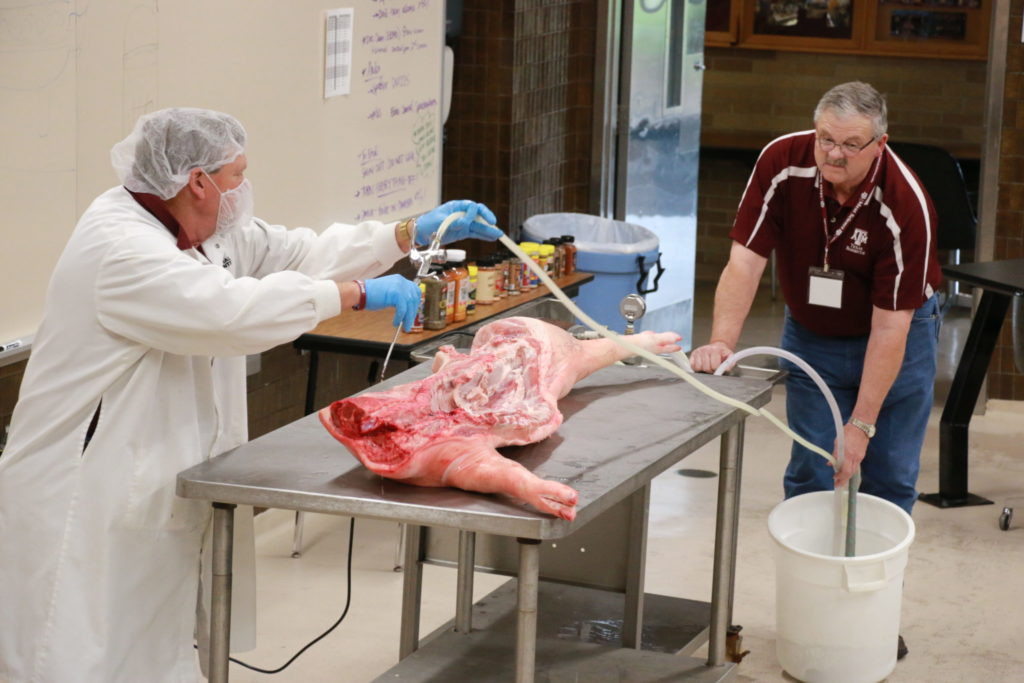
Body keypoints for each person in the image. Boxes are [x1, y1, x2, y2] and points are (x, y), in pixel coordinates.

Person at [0, 107, 500, 682]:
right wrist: (357, 294)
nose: (243, 190)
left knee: (158, 651)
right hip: (82, 498)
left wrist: (407, 233)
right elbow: (227, 311)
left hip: (148, 483)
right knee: (76, 654)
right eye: (237, 174)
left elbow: (297, 252)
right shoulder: (120, 248)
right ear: (196, 181)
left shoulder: (200, 230)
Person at [691, 82, 942, 518]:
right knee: (812, 464)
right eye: (825, 139)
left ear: (880, 144)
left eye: (850, 144)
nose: (834, 154)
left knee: (889, 475)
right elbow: (745, 263)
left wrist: (861, 425)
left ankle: (871, 583)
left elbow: (890, 327)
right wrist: (721, 344)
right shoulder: (782, 162)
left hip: (897, 338)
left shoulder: (905, 204)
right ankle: (810, 581)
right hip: (812, 336)